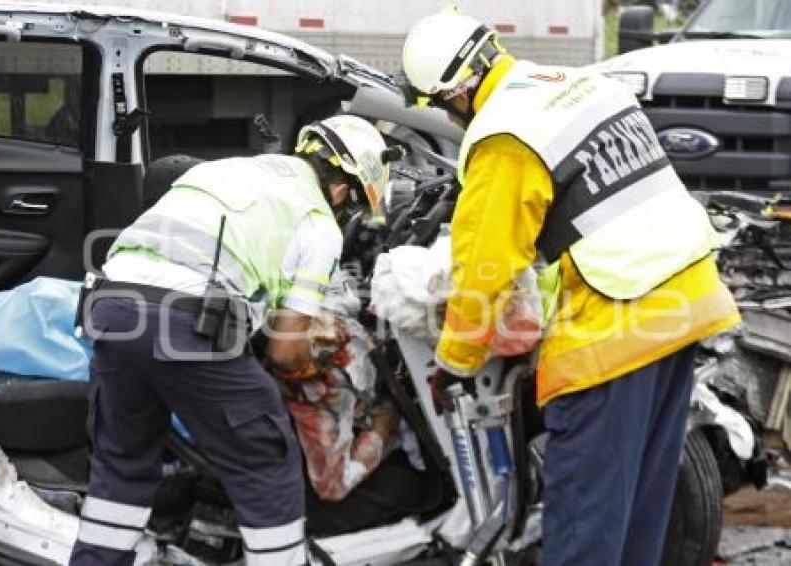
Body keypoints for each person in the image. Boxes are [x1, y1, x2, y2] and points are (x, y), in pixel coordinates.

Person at [401, 11, 740, 566]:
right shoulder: (581, 85)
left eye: (439, 105)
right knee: (637, 511)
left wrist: (456, 363)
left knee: (586, 521)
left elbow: (484, 267)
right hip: (687, 306)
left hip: (616, 332)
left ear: (455, 93)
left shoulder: (503, 137)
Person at [69, 115, 389, 566]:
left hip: (112, 306)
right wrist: (304, 372)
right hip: (184, 321)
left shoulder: (223, 170)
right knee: (265, 457)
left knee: (122, 466)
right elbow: (285, 351)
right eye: (350, 203)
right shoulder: (318, 223)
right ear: (342, 188)